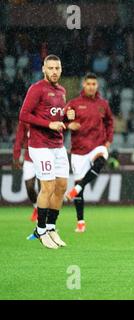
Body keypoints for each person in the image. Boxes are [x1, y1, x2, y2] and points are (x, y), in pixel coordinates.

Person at [19, 54, 76, 249]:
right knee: (48, 187)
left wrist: (67, 117)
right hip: (40, 146)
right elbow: (24, 114)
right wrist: (48, 123)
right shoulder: (36, 89)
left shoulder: (61, 90)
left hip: (57, 146)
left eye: (57, 68)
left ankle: (51, 227)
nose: (54, 72)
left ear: (61, 69)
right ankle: (40, 230)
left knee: (61, 186)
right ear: (44, 69)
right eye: (50, 68)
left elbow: (58, 119)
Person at [64, 73, 114, 233]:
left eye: (94, 84)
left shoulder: (103, 104)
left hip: (97, 144)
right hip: (79, 149)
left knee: (102, 158)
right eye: (89, 84)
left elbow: (110, 122)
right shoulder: (74, 104)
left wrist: (108, 141)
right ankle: (80, 222)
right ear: (83, 85)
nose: (91, 86)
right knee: (80, 188)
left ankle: (77, 189)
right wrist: (68, 124)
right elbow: (62, 119)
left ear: (97, 86)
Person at [13, 121, 39, 222]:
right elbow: (19, 138)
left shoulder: (45, 113)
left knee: (44, 187)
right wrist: (16, 156)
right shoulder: (24, 119)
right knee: (29, 186)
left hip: (45, 157)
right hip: (29, 157)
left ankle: (44, 215)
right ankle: (36, 206)